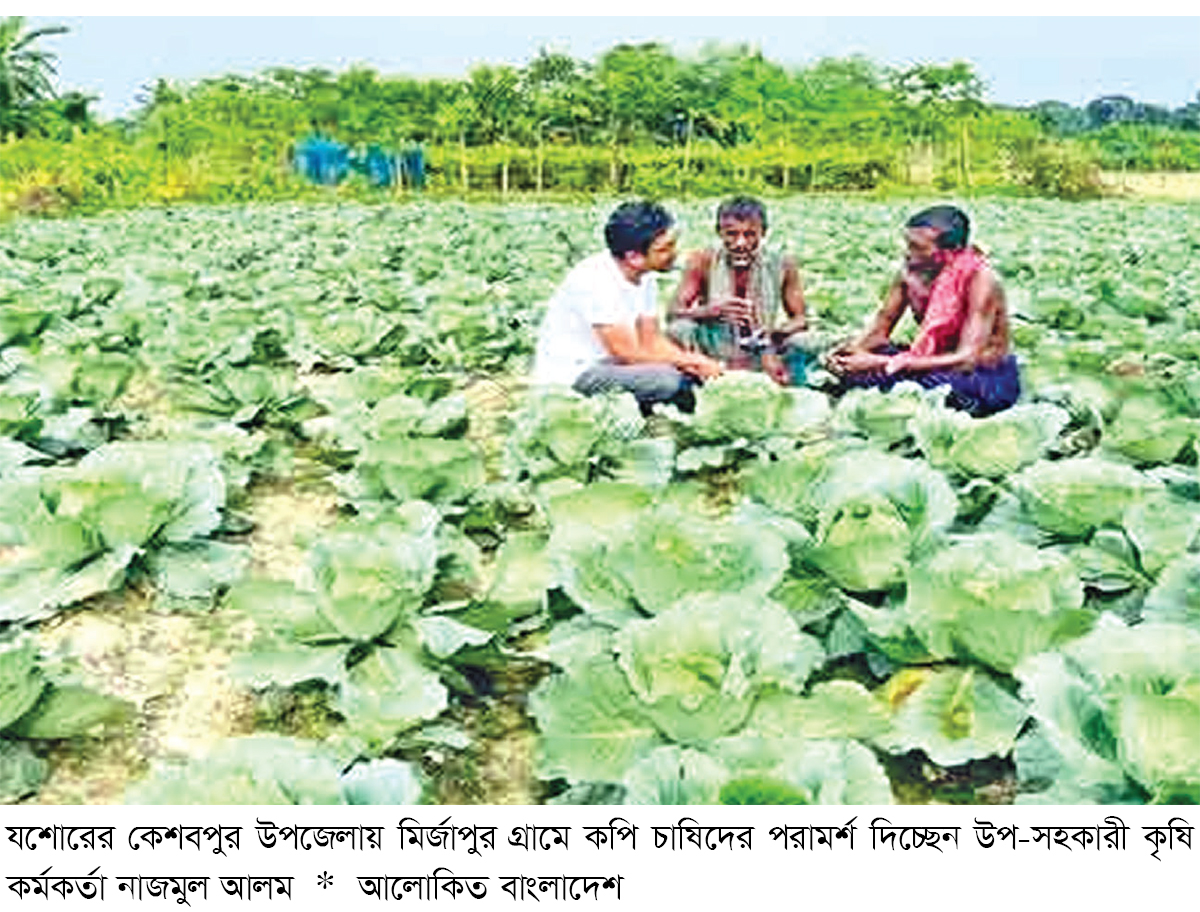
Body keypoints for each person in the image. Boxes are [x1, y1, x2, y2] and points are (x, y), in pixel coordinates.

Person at [825, 205, 1019, 417]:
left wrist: (886, 363)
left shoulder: (981, 279)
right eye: (908, 244)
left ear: (949, 252)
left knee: (935, 390)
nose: (908, 253)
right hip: (929, 360)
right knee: (857, 370)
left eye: (917, 247)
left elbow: (966, 359)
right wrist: (851, 354)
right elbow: (882, 325)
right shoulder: (910, 272)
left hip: (977, 374)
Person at [533, 201, 721, 414]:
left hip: (613, 364)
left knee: (682, 358)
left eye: (672, 244)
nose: (674, 253)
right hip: (576, 374)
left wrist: (693, 365)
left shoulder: (644, 276)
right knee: (667, 379)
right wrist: (692, 361)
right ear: (634, 257)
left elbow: (652, 341)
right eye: (664, 249)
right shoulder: (595, 280)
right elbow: (628, 353)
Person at [669, 196, 810, 385]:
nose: (740, 243)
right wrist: (710, 311)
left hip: (764, 347)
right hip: (715, 348)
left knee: (805, 342)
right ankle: (697, 374)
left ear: (763, 233)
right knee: (679, 329)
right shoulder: (703, 260)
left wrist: (773, 335)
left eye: (750, 234)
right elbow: (673, 312)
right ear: (719, 232)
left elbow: (801, 319)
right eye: (731, 234)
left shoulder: (783, 263)